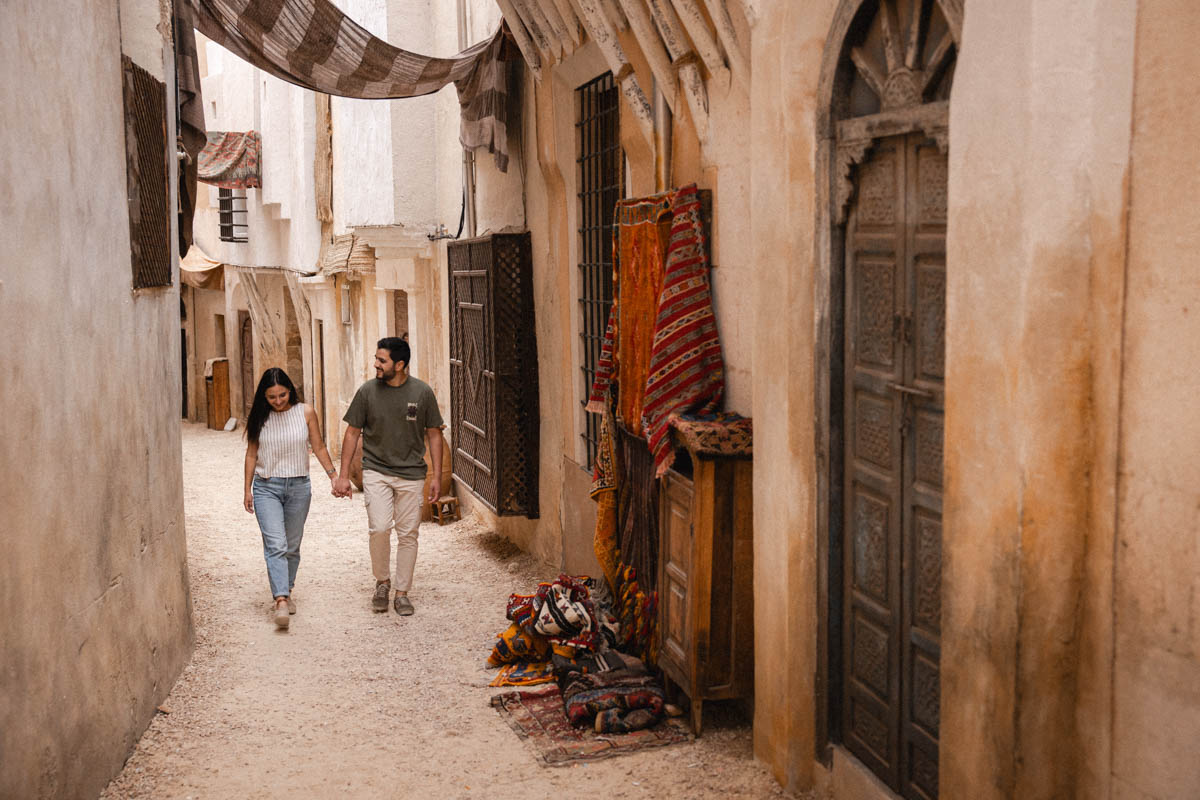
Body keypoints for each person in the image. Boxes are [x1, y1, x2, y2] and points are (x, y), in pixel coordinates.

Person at [332, 337, 444, 616]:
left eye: (382, 360)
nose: (376, 364)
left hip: (411, 474)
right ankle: (382, 581)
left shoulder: (422, 393)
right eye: (376, 358)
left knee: (409, 535)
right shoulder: (367, 392)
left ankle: (402, 593)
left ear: (400, 364)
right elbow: (352, 432)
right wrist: (344, 475)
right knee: (380, 527)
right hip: (376, 471)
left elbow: (434, 434)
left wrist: (437, 477)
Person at [243, 367, 339, 630]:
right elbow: (252, 454)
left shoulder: (305, 412)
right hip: (266, 487)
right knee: (276, 543)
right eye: (272, 397)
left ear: (290, 390)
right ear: (264, 397)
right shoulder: (259, 418)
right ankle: (281, 600)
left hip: (299, 487)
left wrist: (333, 476)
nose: (278, 401)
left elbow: (318, 446)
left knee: (292, 546)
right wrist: (246, 489)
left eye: (282, 395)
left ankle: (288, 589)